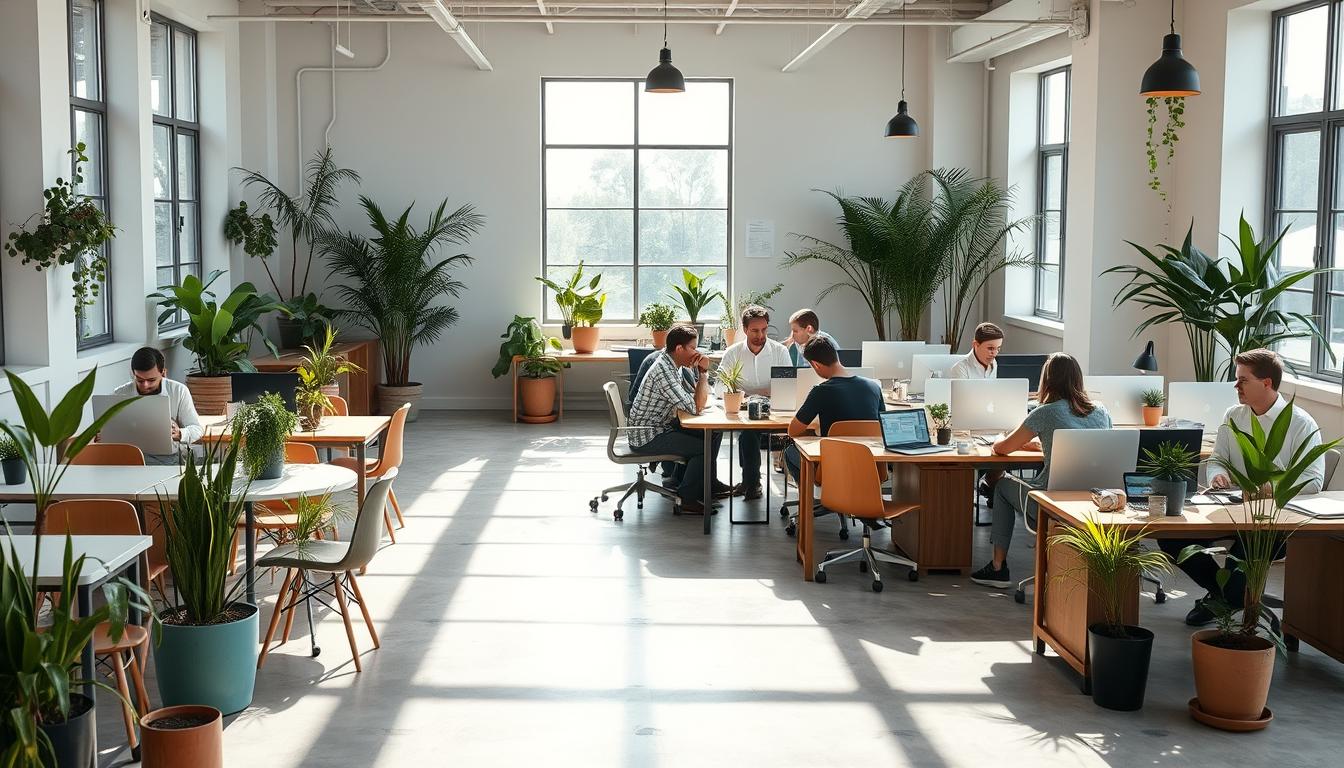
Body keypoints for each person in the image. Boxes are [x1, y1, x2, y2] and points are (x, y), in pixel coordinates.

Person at [1158, 348, 1323, 626]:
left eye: (1243, 380)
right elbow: (1217, 459)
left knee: (1240, 561)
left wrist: (1268, 489)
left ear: (1267, 383)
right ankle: (1223, 595)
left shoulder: (1300, 423)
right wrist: (1218, 476)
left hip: (1271, 523)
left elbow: (1313, 479)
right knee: (1171, 537)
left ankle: (1222, 600)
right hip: (1231, 511)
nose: (1236, 386)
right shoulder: (1234, 415)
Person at [970, 352, 1112, 588]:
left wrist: (999, 438)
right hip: (1093, 502)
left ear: (1047, 379)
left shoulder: (1045, 412)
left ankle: (997, 568)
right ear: (1078, 378)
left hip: (1051, 503)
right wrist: (1044, 444)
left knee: (1003, 484)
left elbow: (1003, 449)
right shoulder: (1101, 411)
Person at [628, 325, 733, 514]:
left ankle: (703, 486)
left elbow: (692, 396)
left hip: (659, 426)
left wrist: (695, 372)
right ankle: (687, 498)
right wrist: (703, 373)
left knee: (713, 433)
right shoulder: (663, 371)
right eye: (693, 348)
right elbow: (696, 406)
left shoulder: (670, 363)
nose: (697, 352)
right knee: (703, 448)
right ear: (679, 349)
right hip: (648, 435)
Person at [783, 336, 885, 482]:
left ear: (816, 365)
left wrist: (814, 434)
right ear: (836, 355)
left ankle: (813, 501)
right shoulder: (874, 387)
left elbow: (792, 431)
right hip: (872, 468)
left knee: (790, 453)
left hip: (833, 470)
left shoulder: (821, 391)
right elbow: (884, 427)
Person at [717, 305, 792, 499]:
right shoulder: (733, 353)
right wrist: (753, 395)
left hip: (775, 413)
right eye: (755, 330)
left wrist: (754, 394)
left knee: (748, 434)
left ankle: (750, 482)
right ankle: (752, 483)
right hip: (744, 414)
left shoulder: (780, 351)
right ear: (745, 330)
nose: (761, 335)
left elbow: (790, 386)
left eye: (764, 329)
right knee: (748, 433)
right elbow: (718, 387)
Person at [111, 346, 204, 462]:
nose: (145, 385)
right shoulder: (120, 393)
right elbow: (112, 429)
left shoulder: (178, 391)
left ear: (163, 373)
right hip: (130, 457)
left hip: (170, 458)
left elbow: (197, 429)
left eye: (151, 380)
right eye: (139, 380)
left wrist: (179, 433)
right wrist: (105, 435)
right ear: (133, 374)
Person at [950, 323, 1006, 505]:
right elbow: (962, 404)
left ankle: (991, 484)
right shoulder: (961, 368)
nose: (994, 353)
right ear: (976, 344)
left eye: (998, 349)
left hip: (986, 420)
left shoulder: (993, 365)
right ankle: (990, 486)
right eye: (990, 348)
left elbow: (991, 396)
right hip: (966, 426)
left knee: (1006, 447)